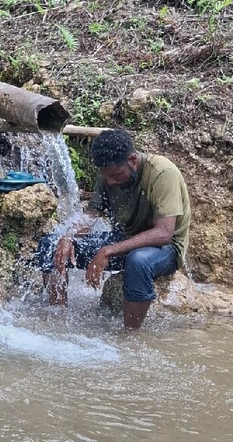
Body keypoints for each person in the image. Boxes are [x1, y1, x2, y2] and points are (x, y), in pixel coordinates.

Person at [33, 128, 191, 329]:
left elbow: (164, 234)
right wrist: (68, 236)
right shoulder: (109, 174)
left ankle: (129, 335)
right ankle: (58, 321)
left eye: (116, 176)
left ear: (132, 160)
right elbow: (90, 215)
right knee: (51, 244)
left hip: (165, 249)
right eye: (106, 176)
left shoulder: (162, 173)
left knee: (138, 261)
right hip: (124, 239)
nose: (110, 181)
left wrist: (107, 251)